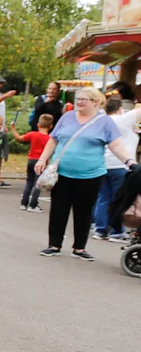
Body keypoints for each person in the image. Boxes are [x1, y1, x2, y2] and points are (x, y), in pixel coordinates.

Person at [35, 88, 137, 260]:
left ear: (95, 102)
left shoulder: (104, 122)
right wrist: (42, 159)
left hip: (90, 174)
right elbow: (53, 139)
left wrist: (130, 162)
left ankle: (79, 248)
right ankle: (54, 245)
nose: (79, 102)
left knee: (84, 211)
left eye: (84, 99)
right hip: (62, 172)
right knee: (59, 209)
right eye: (78, 98)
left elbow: (116, 145)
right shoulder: (67, 117)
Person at [93, 97, 140, 241]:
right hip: (122, 164)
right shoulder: (124, 119)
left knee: (103, 198)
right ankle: (117, 230)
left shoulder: (102, 121)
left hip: (103, 164)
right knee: (120, 199)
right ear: (120, 108)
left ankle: (100, 229)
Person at [10, 113, 53, 211]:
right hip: (41, 162)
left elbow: (19, 138)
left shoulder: (33, 134)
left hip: (31, 160)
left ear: (38, 125)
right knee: (37, 184)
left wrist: (13, 128)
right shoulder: (50, 138)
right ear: (51, 126)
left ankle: (24, 203)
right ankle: (33, 205)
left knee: (29, 182)